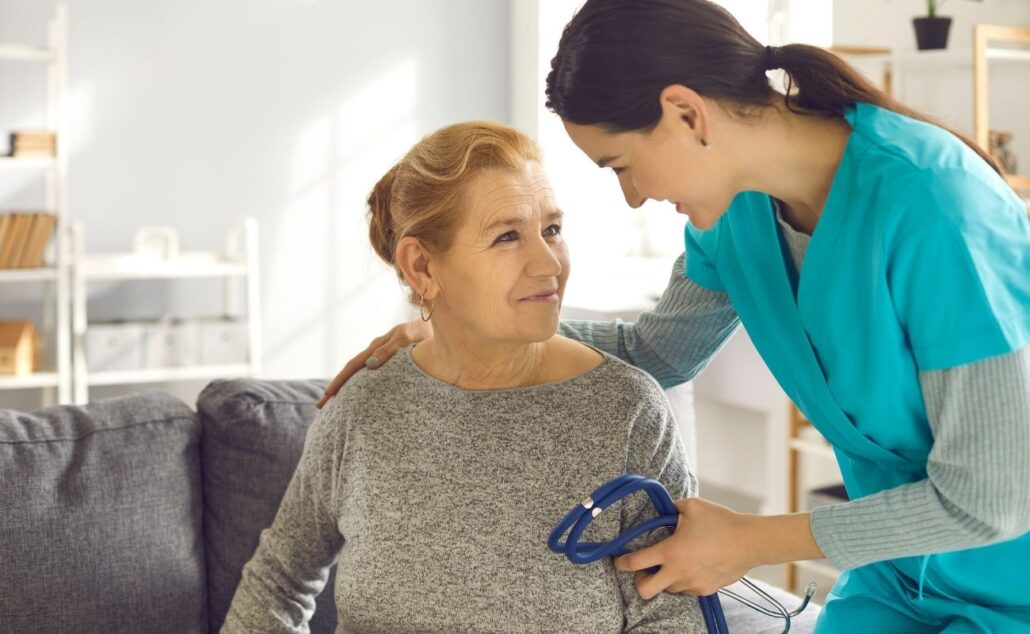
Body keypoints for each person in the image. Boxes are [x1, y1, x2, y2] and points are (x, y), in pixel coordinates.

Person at [315, 1, 1030, 631]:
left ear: (688, 114)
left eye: (620, 164)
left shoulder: (939, 210)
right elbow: (653, 350)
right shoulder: (732, 222)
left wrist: (747, 541)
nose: (631, 197)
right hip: (900, 576)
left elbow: (990, 498)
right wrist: (460, 326)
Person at [223, 120, 712, 632]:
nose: (548, 262)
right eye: (507, 236)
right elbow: (277, 581)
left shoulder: (626, 410)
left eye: (551, 229)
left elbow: (675, 616)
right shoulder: (366, 408)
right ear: (422, 268)